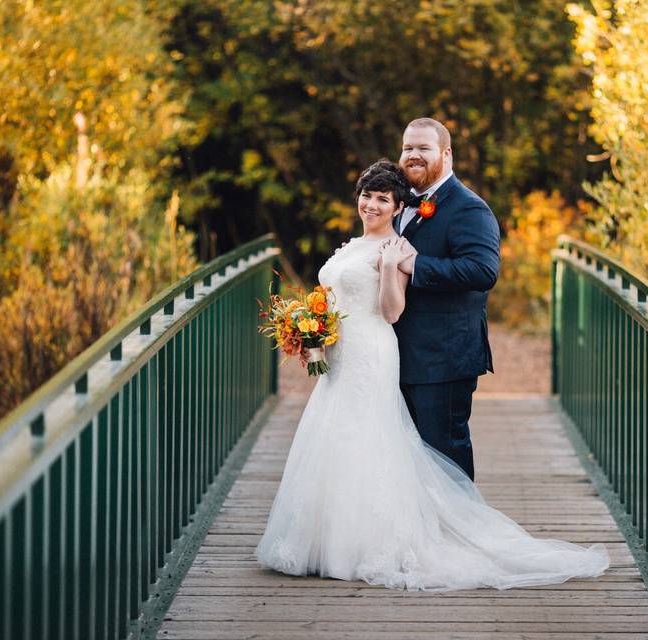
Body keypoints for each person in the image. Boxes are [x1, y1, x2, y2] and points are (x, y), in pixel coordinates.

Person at [255, 157, 609, 591]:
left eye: (382, 198)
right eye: (367, 195)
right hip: (340, 356)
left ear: (397, 206)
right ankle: (326, 541)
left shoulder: (397, 249)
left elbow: (392, 311)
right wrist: (312, 335)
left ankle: (376, 544)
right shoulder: (349, 247)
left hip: (373, 351)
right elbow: (331, 300)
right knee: (335, 437)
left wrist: (391, 269)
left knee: (372, 438)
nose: (371, 204)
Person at [390, 117, 499, 481]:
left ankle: (458, 536)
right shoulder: (395, 203)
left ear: (446, 154)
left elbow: (483, 271)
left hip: (444, 359)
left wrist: (416, 264)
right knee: (403, 459)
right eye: (408, 148)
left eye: (424, 148)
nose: (413, 155)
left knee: (443, 460)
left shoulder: (468, 208)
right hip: (395, 357)